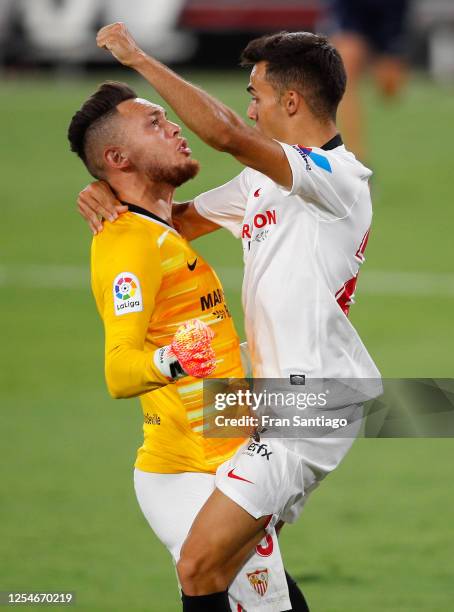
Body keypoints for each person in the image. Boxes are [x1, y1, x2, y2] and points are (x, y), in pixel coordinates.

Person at [79, 24, 382, 612]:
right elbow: (171, 221)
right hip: (259, 401)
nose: (249, 108)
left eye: (256, 94)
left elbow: (223, 133)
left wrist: (137, 58)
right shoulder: (263, 184)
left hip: (309, 405)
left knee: (199, 567)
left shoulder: (337, 180)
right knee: (250, 572)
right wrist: (109, 196)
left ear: (290, 102)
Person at [68, 82, 307, 611]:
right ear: (117, 157)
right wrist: (174, 360)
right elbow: (118, 372)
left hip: (232, 444)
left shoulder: (158, 229)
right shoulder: (128, 247)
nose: (175, 125)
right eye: (154, 123)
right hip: (190, 470)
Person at [326, 0, 410, 159]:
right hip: (351, 10)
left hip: (389, 12)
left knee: (390, 88)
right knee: (345, 72)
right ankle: (355, 158)